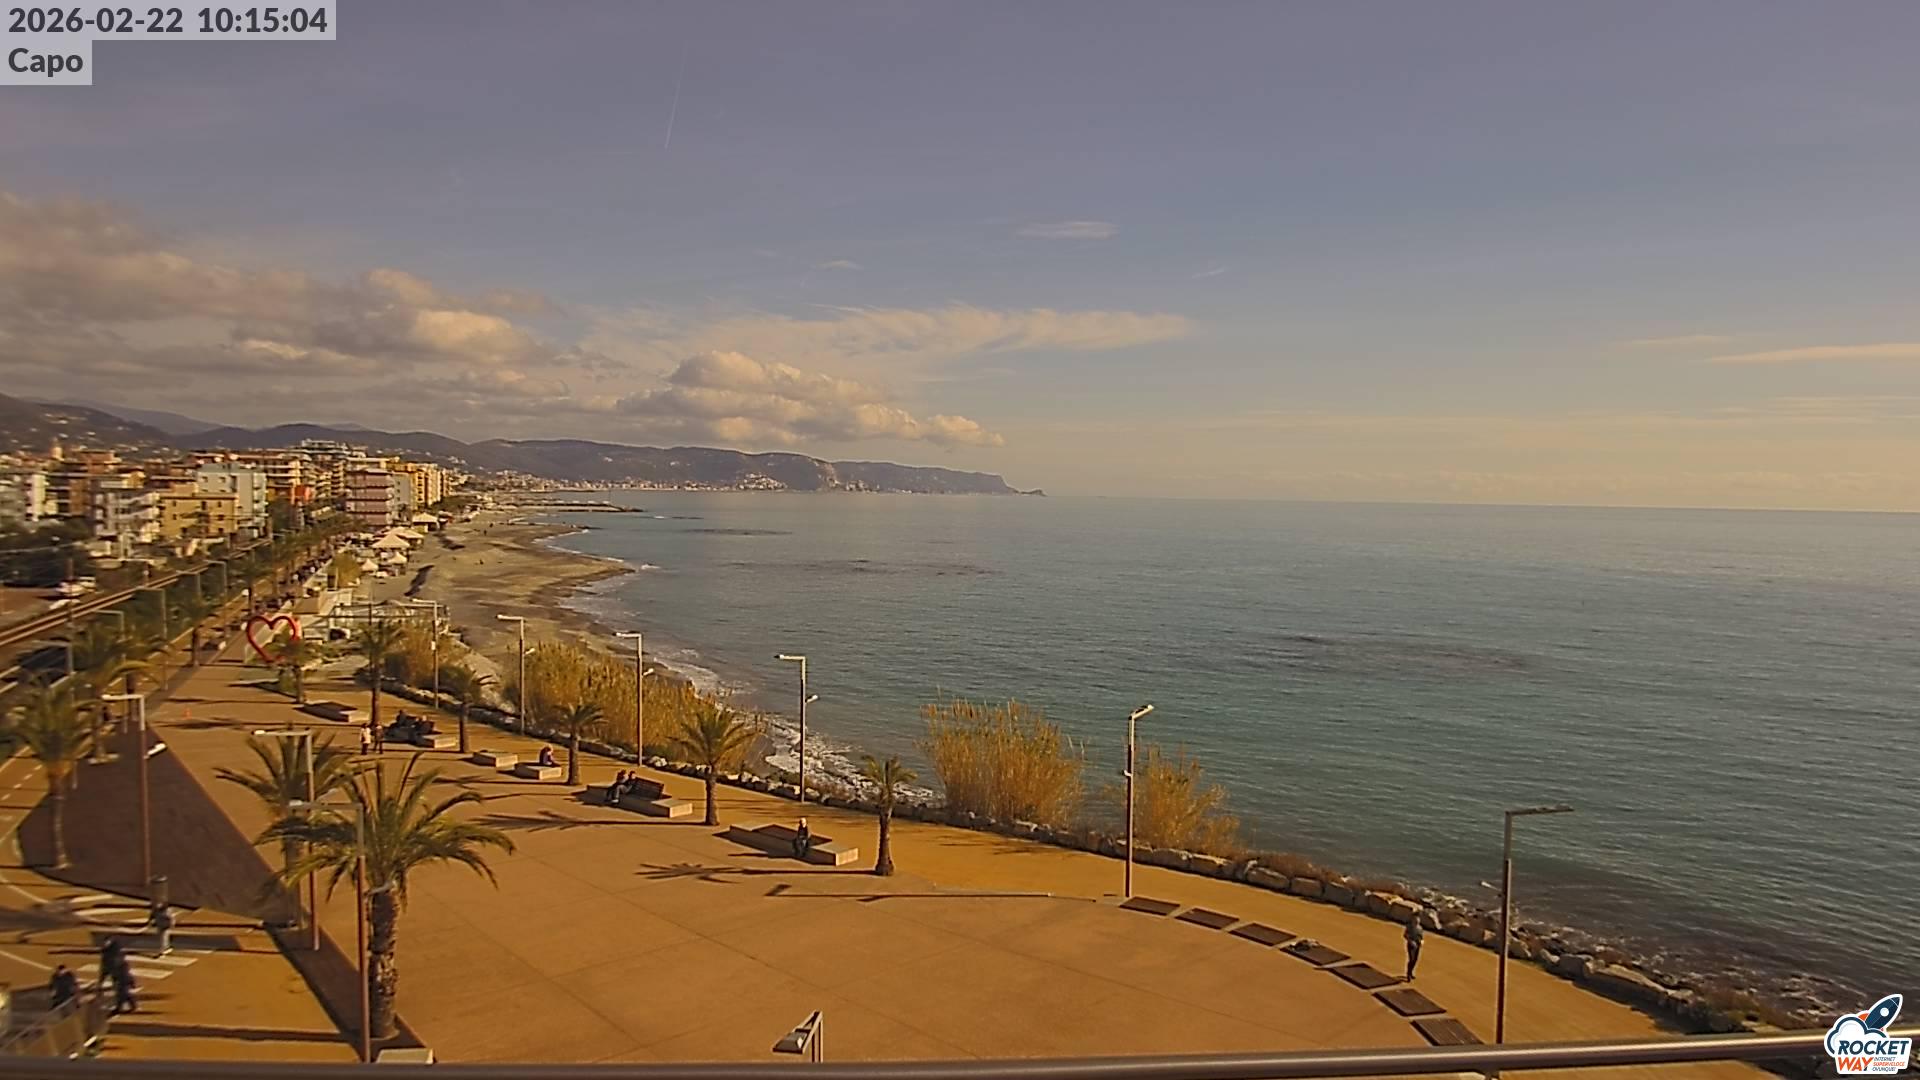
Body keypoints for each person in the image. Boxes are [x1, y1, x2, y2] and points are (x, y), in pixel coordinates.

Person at [1403, 913, 1425, 981]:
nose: (1416, 921)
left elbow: (1421, 937)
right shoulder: (1409, 927)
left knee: (1415, 960)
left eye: (1417, 920)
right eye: (1415, 920)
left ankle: (1411, 972)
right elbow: (1405, 935)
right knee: (1411, 959)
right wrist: (1410, 941)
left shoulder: (1420, 928)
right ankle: (1408, 974)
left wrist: (1422, 942)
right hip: (1411, 945)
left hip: (1417, 945)